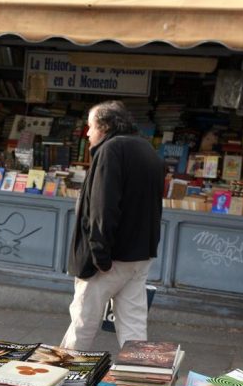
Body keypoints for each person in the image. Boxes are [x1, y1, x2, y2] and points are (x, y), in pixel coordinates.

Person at [61, 100, 165, 350]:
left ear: (105, 126)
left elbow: (102, 207)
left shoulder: (111, 150)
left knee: (83, 323)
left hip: (111, 258)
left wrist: (99, 255)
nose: (87, 133)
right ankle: (140, 377)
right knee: (134, 324)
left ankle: (59, 377)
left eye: (90, 126)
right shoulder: (147, 149)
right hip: (139, 255)